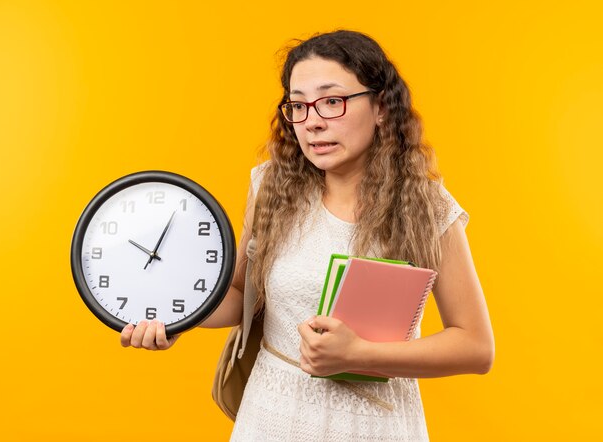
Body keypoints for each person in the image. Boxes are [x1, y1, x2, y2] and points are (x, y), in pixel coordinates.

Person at [121, 30, 495, 441]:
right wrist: (176, 316)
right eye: (298, 106)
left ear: (382, 107)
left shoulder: (426, 205)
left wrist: (360, 354)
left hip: (376, 427)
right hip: (272, 417)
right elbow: (240, 297)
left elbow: (475, 346)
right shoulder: (271, 186)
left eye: (332, 101)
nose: (313, 121)